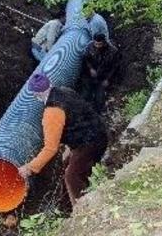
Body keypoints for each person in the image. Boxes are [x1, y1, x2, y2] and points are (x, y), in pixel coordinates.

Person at [17, 73, 107, 208]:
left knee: (72, 177)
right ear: (50, 84)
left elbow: (50, 149)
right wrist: (69, 147)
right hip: (99, 133)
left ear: (36, 95)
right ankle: (65, 207)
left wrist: (29, 168)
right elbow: (76, 119)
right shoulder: (65, 91)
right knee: (66, 165)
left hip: (90, 143)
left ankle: (83, 210)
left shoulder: (52, 112)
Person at [82, 33, 123, 113]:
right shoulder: (90, 46)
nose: (97, 46)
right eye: (96, 43)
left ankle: (98, 113)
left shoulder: (113, 51)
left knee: (99, 99)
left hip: (103, 77)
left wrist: (108, 79)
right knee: (85, 95)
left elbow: (115, 67)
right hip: (91, 75)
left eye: (99, 44)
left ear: (104, 42)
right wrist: (90, 68)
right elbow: (86, 59)